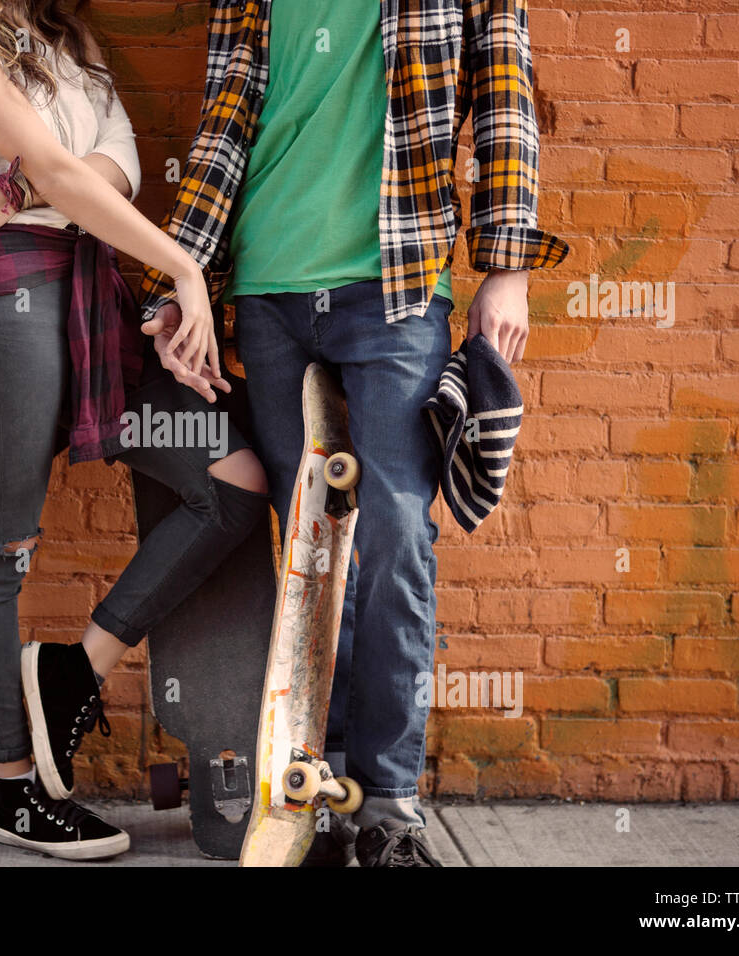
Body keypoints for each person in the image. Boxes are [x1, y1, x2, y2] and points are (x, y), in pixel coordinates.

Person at [139, 0, 569, 866]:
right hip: (268, 290)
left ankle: (390, 803)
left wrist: (508, 266)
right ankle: (320, 788)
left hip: (396, 288)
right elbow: (225, 122)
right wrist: (178, 282)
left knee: (400, 532)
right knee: (310, 551)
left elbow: (505, 96)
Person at [0, 0, 270, 862]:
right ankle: (15, 792)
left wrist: (18, 185)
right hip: (2, 304)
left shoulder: (68, 35)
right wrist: (180, 267)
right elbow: (60, 165)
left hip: (92, 298)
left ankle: (74, 672)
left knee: (232, 474)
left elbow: (115, 168)